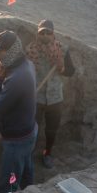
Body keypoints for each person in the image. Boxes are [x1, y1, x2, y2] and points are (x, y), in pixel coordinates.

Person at [0, 30, 37, 193]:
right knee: (25, 169)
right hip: (28, 131)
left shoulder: (17, 78)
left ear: (10, 52)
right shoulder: (27, 65)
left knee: (8, 183)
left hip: (17, 139)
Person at [26, 20, 65, 169]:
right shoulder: (30, 50)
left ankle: (47, 153)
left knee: (51, 129)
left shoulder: (60, 49)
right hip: (37, 97)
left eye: (48, 32)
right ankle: (29, 154)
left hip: (55, 97)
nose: (45, 35)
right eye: (42, 32)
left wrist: (61, 66)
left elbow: (70, 72)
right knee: (33, 128)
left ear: (53, 34)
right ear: (38, 33)